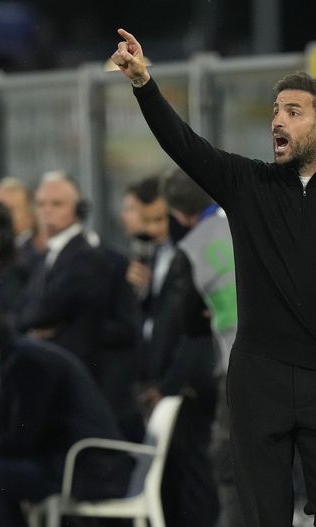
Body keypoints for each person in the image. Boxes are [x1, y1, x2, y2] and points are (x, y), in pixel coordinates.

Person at [112, 29, 316, 526]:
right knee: (261, 516)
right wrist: (144, 82)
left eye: (292, 112)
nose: (278, 120)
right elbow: (183, 144)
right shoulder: (246, 184)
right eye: (276, 111)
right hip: (258, 379)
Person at [0, 306, 131, 527]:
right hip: (74, 461)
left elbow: (23, 438)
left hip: (87, 468)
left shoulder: (25, 362)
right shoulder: (21, 354)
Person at [15, 170, 144, 442]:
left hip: (93, 387)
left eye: (57, 204)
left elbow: (39, 312)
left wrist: (43, 325)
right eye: (41, 204)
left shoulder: (88, 257)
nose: (47, 211)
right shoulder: (45, 258)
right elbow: (25, 313)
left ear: (79, 209)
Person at [129, 173, 219, 527]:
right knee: (173, 482)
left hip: (192, 384)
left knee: (197, 479)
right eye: (146, 220)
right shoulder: (160, 257)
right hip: (170, 380)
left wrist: (168, 384)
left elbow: (193, 332)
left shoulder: (195, 250)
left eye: (159, 219)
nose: (153, 229)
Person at [163, 168, 243, 527]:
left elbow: (189, 322)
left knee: (231, 460)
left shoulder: (191, 250)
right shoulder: (247, 221)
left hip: (237, 366)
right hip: (293, 357)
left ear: (178, 213)